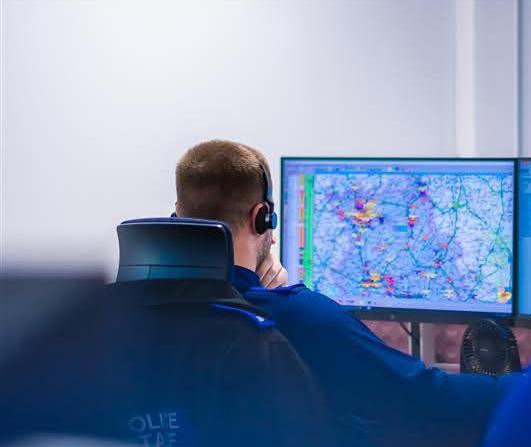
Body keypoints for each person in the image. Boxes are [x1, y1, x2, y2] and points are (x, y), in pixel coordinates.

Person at [174, 140, 503, 447]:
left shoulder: (136, 311)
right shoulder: (296, 316)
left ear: (177, 215)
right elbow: (424, 399)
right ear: (261, 217)